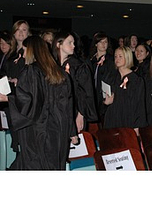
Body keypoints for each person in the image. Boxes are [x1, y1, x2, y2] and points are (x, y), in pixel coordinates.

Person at [0, 35, 78, 170]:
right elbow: (67, 105)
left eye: (25, 50)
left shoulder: (31, 71)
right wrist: (71, 131)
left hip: (38, 131)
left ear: (32, 51)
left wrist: (7, 98)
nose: (23, 54)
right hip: (58, 131)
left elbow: (29, 102)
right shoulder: (60, 73)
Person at [52, 32, 98, 133]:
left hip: (75, 112)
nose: (73, 45)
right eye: (70, 42)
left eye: (74, 43)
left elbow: (86, 92)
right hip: (56, 114)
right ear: (58, 44)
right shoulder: (52, 66)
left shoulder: (78, 66)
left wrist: (80, 115)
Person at [103, 46, 147, 130]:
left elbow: (139, 105)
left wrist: (137, 127)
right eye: (115, 56)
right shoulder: (111, 77)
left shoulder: (136, 80)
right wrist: (106, 103)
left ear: (127, 57)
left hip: (128, 120)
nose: (117, 59)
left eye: (120, 56)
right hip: (112, 119)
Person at [89, 32, 116, 122]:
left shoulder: (111, 60)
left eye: (106, 42)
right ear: (96, 44)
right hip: (92, 95)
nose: (104, 44)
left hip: (104, 95)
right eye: (101, 42)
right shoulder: (91, 60)